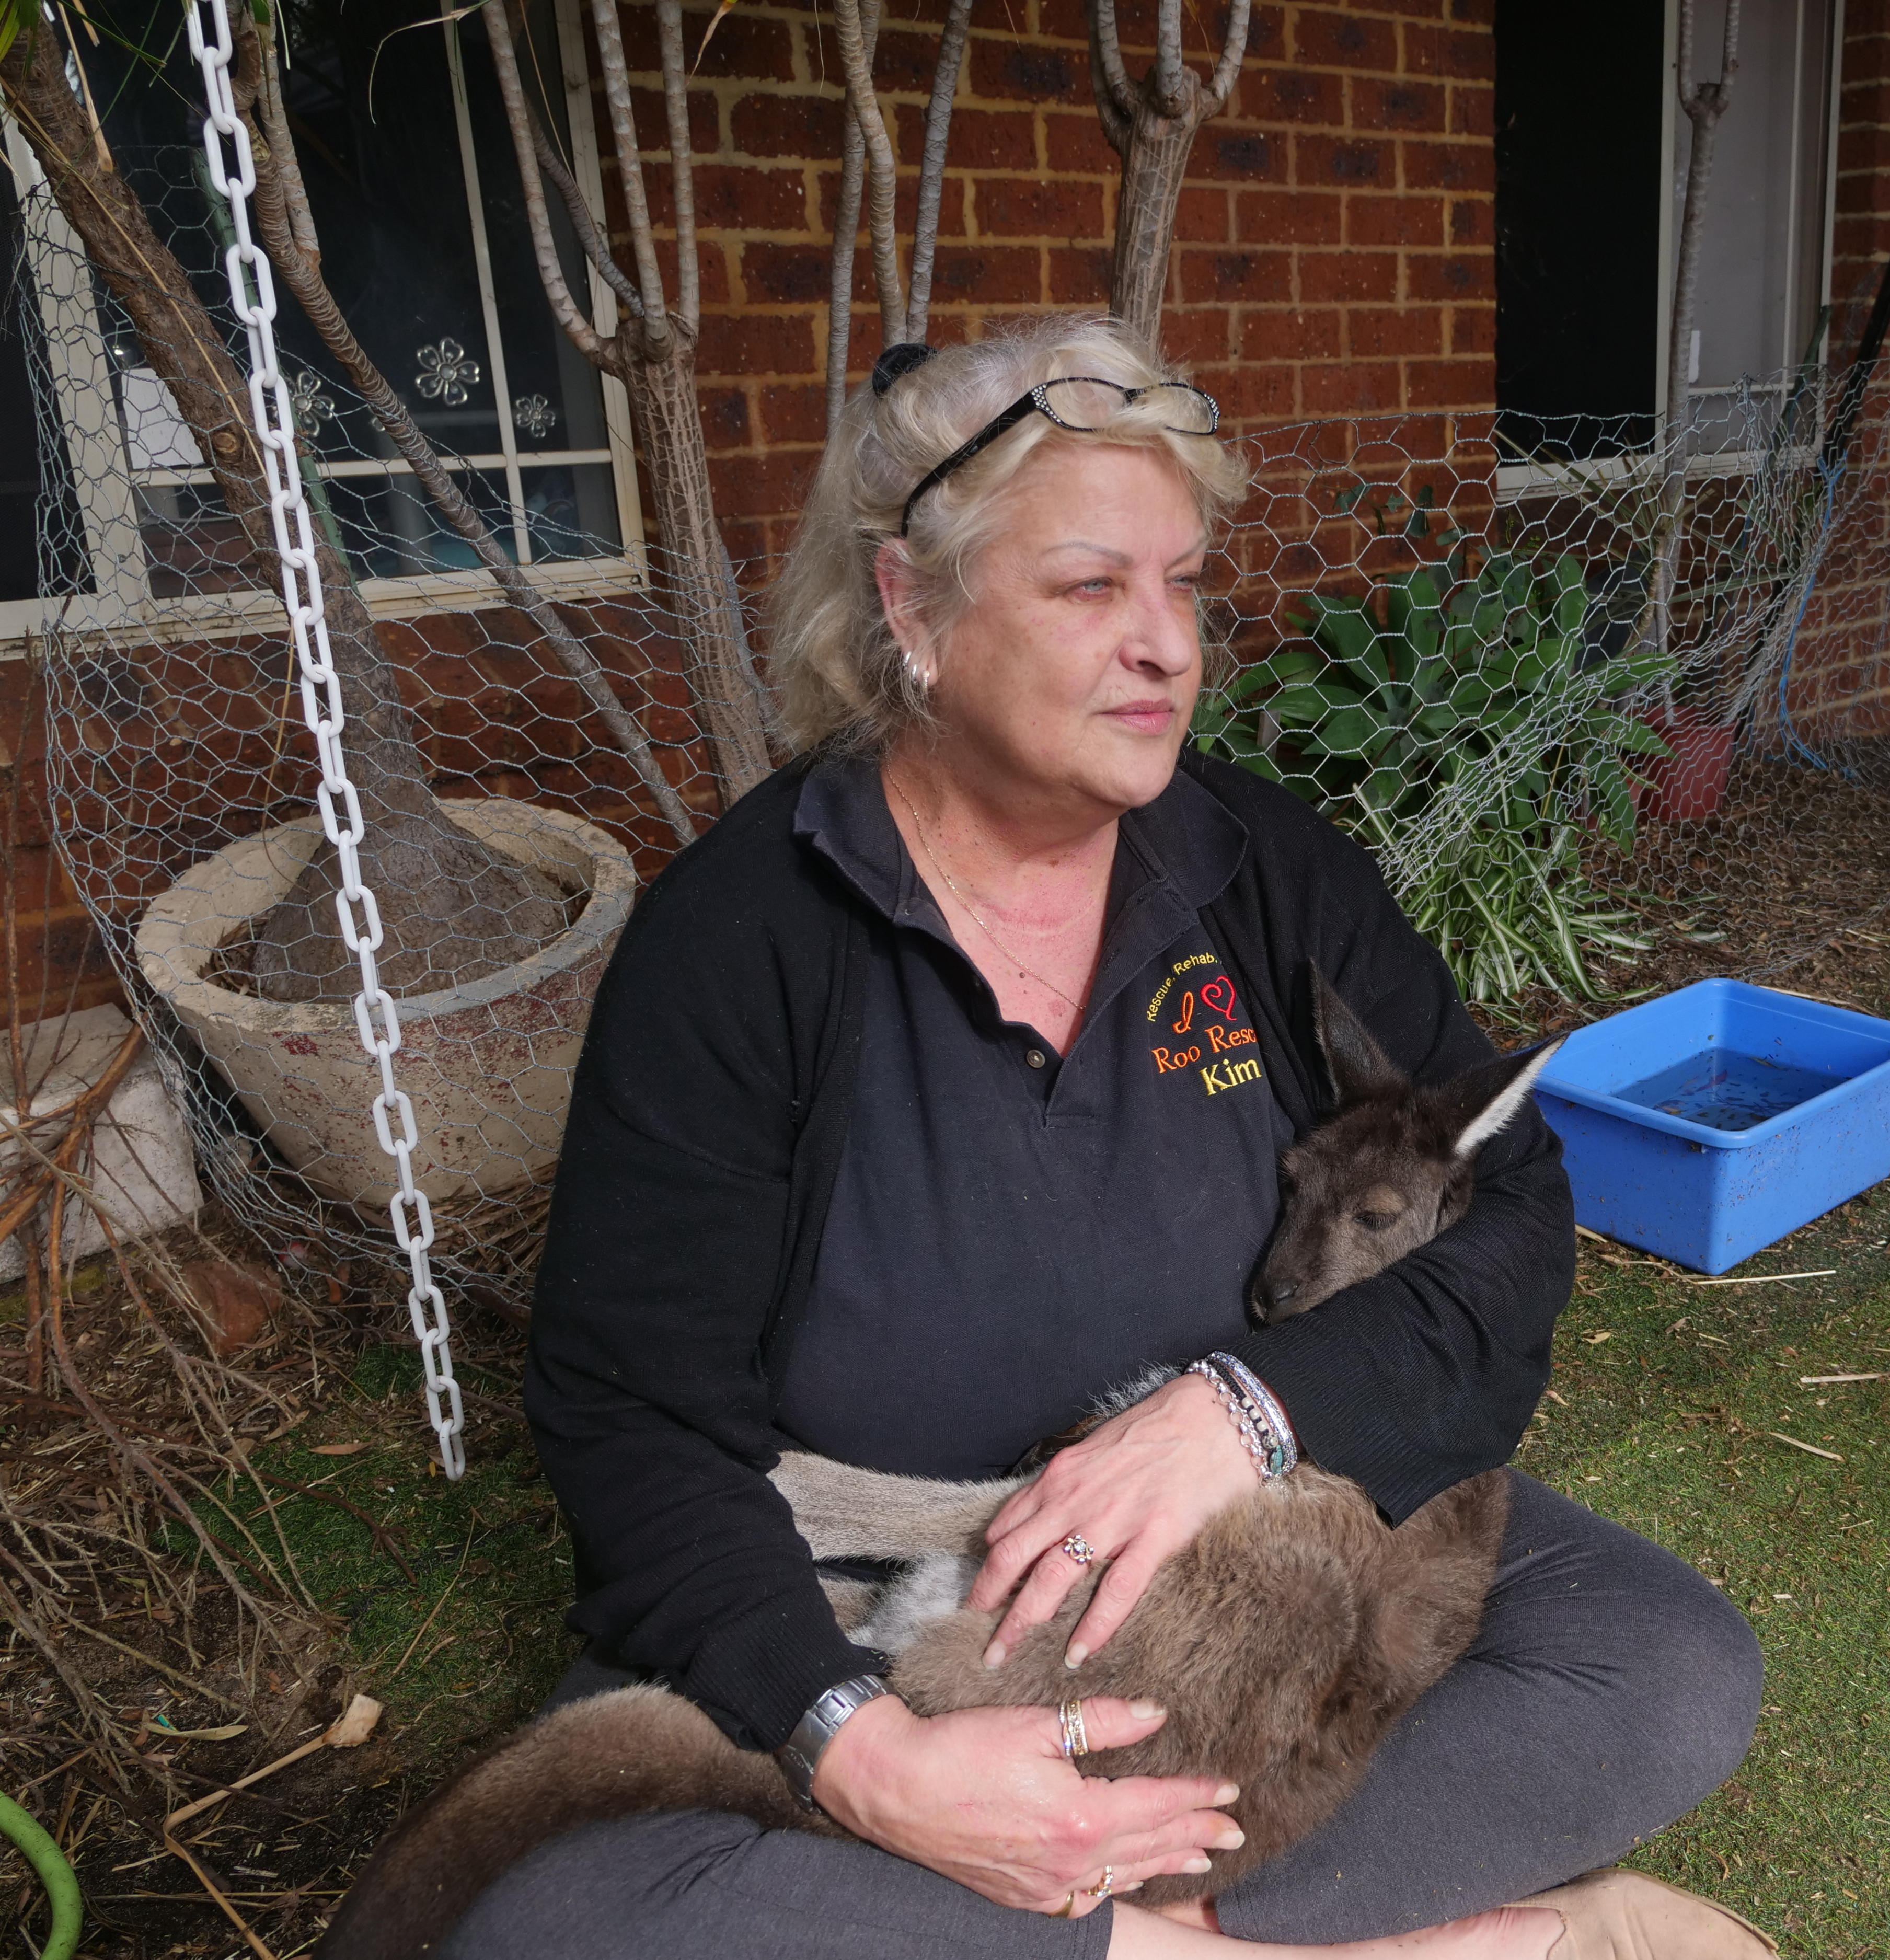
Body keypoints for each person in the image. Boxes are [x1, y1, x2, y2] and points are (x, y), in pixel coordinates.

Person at [465, 316, 1770, 1960]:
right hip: (879, 1584)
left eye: (1186, 585)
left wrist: (1251, 1412)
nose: (1167, 646)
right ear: (910, 609)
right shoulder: (743, 941)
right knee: (556, 1925)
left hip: (1259, 1547)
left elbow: (1511, 1209)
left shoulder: (1265, 870)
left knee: (1662, 1666)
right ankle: (1378, 1945)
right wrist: (862, 1755)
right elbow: (630, 1419)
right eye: (1091, 588)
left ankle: (1075, 1930)